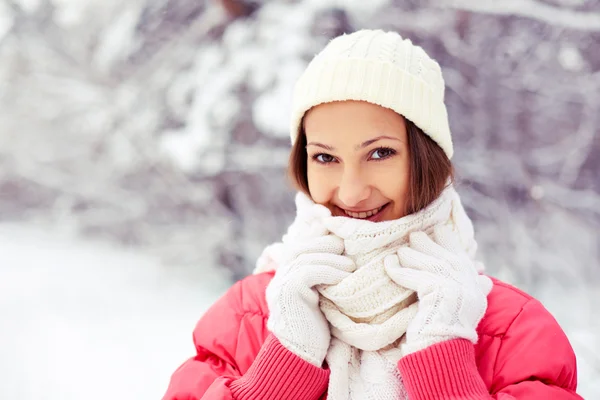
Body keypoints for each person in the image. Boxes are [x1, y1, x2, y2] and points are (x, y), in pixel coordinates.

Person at [162, 29, 582, 400]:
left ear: (427, 159)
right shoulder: (251, 312)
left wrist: (446, 369)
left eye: (380, 153)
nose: (351, 191)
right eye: (325, 157)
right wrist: (282, 368)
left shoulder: (510, 328)